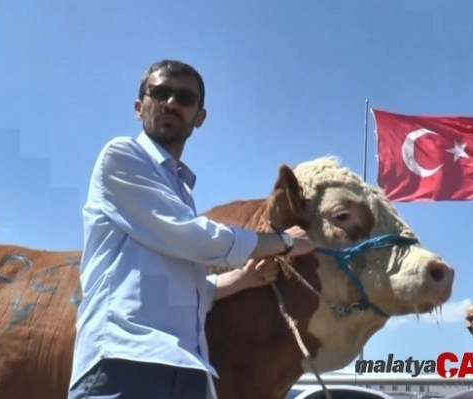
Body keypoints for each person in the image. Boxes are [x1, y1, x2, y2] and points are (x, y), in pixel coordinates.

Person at [67, 59, 319, 399]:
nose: (171, 102)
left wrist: (242, 279)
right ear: (139, 106)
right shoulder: (120, 157)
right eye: (160, 92)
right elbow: (193, 238)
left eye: (185, 98)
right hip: (125, 362)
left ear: (199, 117)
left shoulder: (181, 190)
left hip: (188, 371)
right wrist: (285, 242)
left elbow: (183, 289)